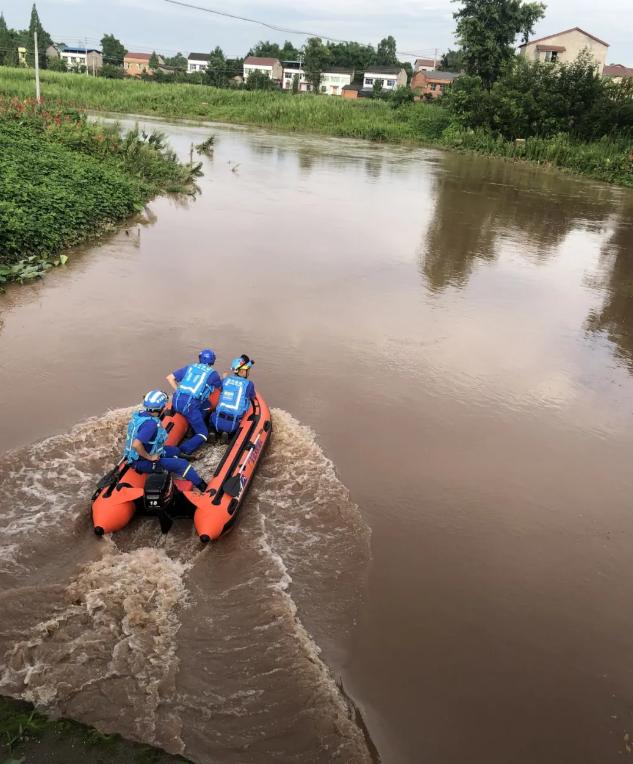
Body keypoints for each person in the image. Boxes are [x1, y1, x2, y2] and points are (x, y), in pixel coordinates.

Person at [123, 390, 207, 491]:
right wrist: (150, 457)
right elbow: (136, 445)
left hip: (141, 454)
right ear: (160, 408)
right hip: (141, 461)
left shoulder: (140, 414)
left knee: (175, 451)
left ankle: (186, 458)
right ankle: (203, 487)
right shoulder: (150, 425)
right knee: (182, 464)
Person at [166, 349, 223, 455]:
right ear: (213, 361)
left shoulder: (190, 367)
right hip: (190, 406)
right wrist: (223, 378)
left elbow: (170, 378)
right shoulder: (213, 374)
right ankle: (183, 450)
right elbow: (219, 387)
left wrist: (178, 390)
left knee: (206, 405)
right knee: (203, 433)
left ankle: (190, 427)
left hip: (176, 401)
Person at [211, 355, 256, 435]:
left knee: (211, 416)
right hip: (233, 424)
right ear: (242, 371)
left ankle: (212, 432)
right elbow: (252, 396)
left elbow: (220, 388)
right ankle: (228, 436)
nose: (248, 372)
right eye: (247, 370)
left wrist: (223, 378)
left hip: (217, 420)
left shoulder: (226, 380)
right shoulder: (249, 384)